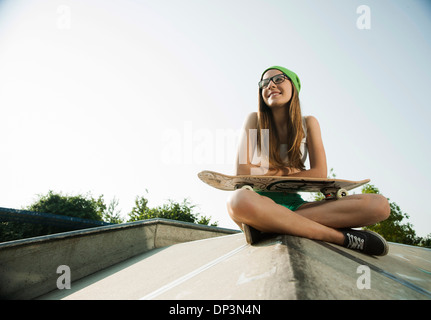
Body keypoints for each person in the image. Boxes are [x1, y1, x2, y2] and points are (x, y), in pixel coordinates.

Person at [226, 66, 391, 256]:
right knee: (237, 200)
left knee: (379, 205)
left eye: (278, 79)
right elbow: (242, 172)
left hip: (296, 205)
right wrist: (290, 170)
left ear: (293, 87)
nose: (270, 85)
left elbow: (319, 173)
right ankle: (342, 238)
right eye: (264, 83)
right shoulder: (254, 119)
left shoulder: (309, 123)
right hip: (258, 203)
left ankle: (267, 227)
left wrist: (268, 171)